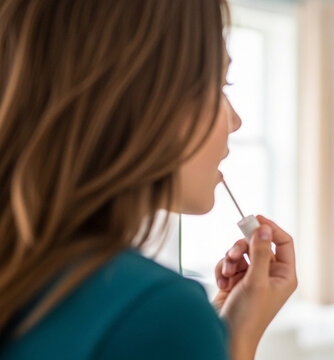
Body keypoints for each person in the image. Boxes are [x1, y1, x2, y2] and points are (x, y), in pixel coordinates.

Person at [0, 0, 297, 359]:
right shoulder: (159, 313)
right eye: (220, 84)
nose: (235, 121)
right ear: (142, 97)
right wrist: (237, 342)